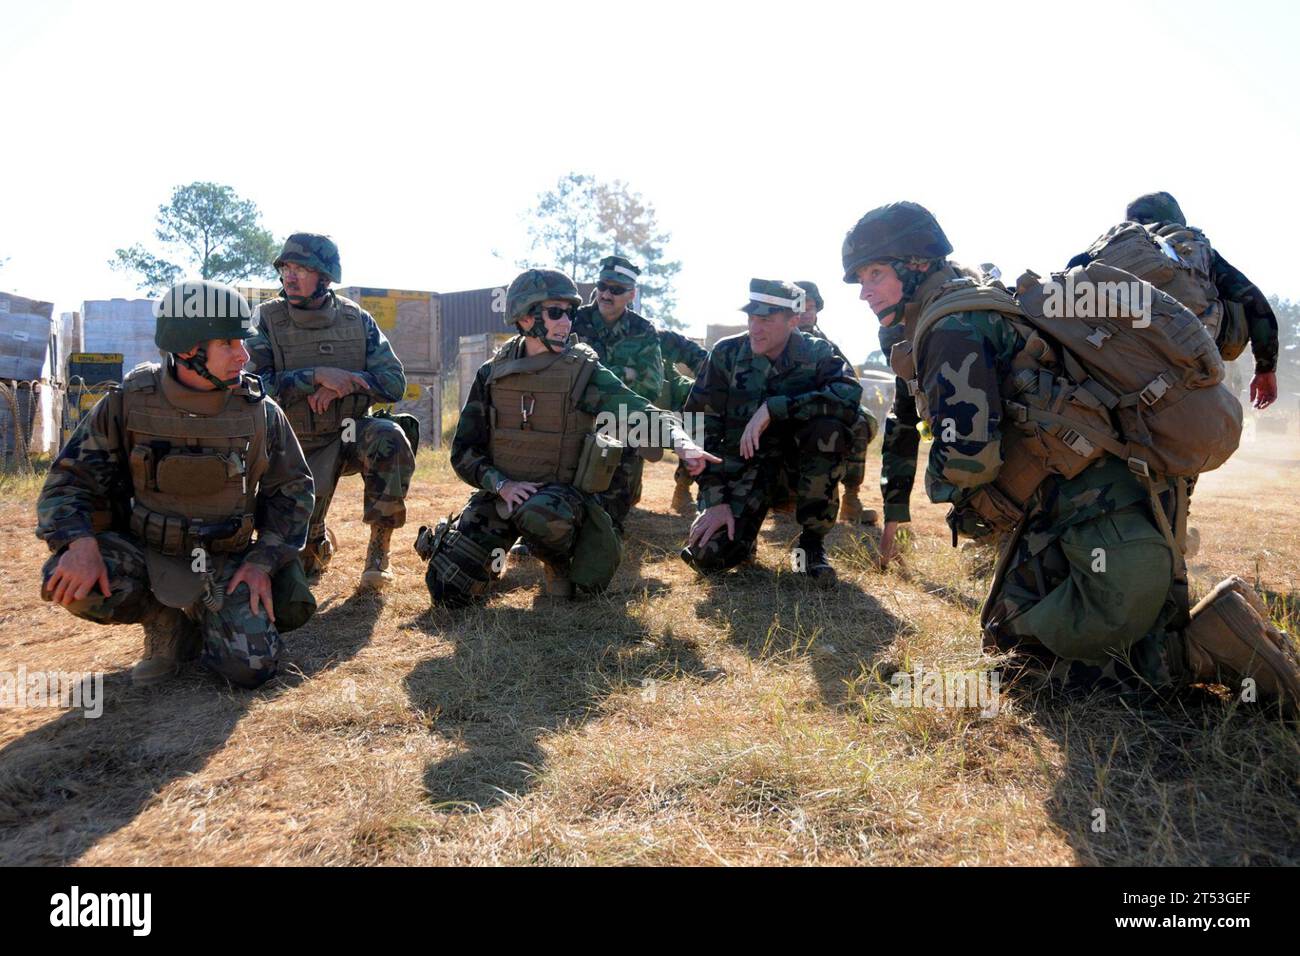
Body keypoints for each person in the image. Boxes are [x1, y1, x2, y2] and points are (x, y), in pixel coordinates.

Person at [843, 201, 1300, 710]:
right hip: (1134, 498)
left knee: (1023, 660)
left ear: (917, 263)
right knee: (1012, 635)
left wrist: (958, 501)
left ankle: (1203, 650)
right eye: (861, 278)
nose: (864, 291)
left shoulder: (950, 326)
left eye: (875, 273)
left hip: (1098, 514)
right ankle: (1180, 633)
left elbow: (969, 459)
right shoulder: (983, 299)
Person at [37, 280, 315, 688]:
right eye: (229, 343)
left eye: (243, 342)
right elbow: (68, 482)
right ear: (188, 350)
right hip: (147, 554)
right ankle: (164, 622)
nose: (244, 354)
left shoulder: (261, 412)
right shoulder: (128, 401)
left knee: (251, 669)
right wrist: (79, 545)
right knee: (69, 582)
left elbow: (294, 492)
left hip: (227, 560)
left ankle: (209, 617)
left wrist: (262, 563)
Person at [424, 268, 717, 605]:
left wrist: (681, 442)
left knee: (542, 514)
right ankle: (490, 563)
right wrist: (501, 484)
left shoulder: (583, 370)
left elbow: (637, 410)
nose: (566, 322)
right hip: (503, 493)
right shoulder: (491, 373)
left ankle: (557, 562)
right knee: (447, 589)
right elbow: (463, 452)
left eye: (570, 313)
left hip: (559, 500)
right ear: (524, 317)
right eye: (555, 313)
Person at [246, 233, 414, 589]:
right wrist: (315, 377)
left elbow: (394, 382)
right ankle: (318, 539)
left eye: (301, 269)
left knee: (390, 436)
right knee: (300, 570)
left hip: (348, 435)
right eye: (285, 268)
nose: (289, 277)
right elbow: (252, 385)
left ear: (325, 277)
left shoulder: (357, 320)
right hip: (291, 447)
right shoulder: (265, 320)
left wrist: (351, 381)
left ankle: (378, 550)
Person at [680, 279, 862, 586]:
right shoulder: (726, 354)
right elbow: (697, 426)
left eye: (766, 319)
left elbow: (848, 397)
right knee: (708, 557)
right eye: (751, 317)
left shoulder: (817, 353)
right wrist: (715, 499)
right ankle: (743, 539)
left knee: (828, 429)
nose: (755, 327)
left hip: (796, 473)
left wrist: (776, 408)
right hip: (744, 470)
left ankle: (810, 546)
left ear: (793, 321)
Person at [1073, 191, 1279, 410]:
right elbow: (1253, 301)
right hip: (1189, 350)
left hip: (1112, 352)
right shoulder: (1194, 247)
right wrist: (1265, 368)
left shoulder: (1106, 248)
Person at [570, 255, 667, 535]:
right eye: (602, 286)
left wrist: (596, 376)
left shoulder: (642, 330)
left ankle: (607, 518)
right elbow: (562, 370)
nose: (606, 294)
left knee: (612, 515)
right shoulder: (575, 320)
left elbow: (651, 385)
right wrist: (625, 373)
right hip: (578, 414)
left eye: (616, 289)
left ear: (631, 295)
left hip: (622, 420)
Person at [794, 280, 879, 524]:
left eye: (811, 307)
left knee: (859, 422)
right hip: (784, 414)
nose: (806, 312)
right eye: (800, 307)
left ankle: (851, 500)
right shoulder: (778, 340)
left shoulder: (828, 346)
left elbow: (850, 385)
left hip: (821, 412)